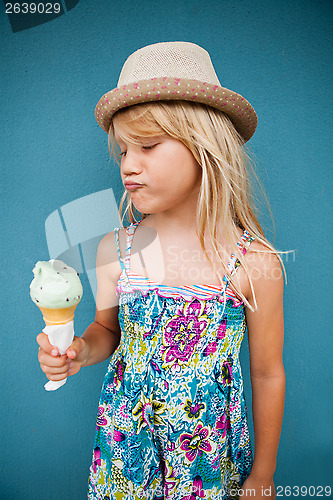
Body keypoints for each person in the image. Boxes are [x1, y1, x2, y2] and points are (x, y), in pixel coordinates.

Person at [37, 42, 286, 499]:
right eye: (124, 151)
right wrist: (76, 352)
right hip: (125, 456)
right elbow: (105, 331)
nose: (129, 165)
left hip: (205, 463)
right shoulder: (117, 250)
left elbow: (268, 374)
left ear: (206, 149)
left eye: (149, 146)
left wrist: (264, 475)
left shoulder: (254, 263)